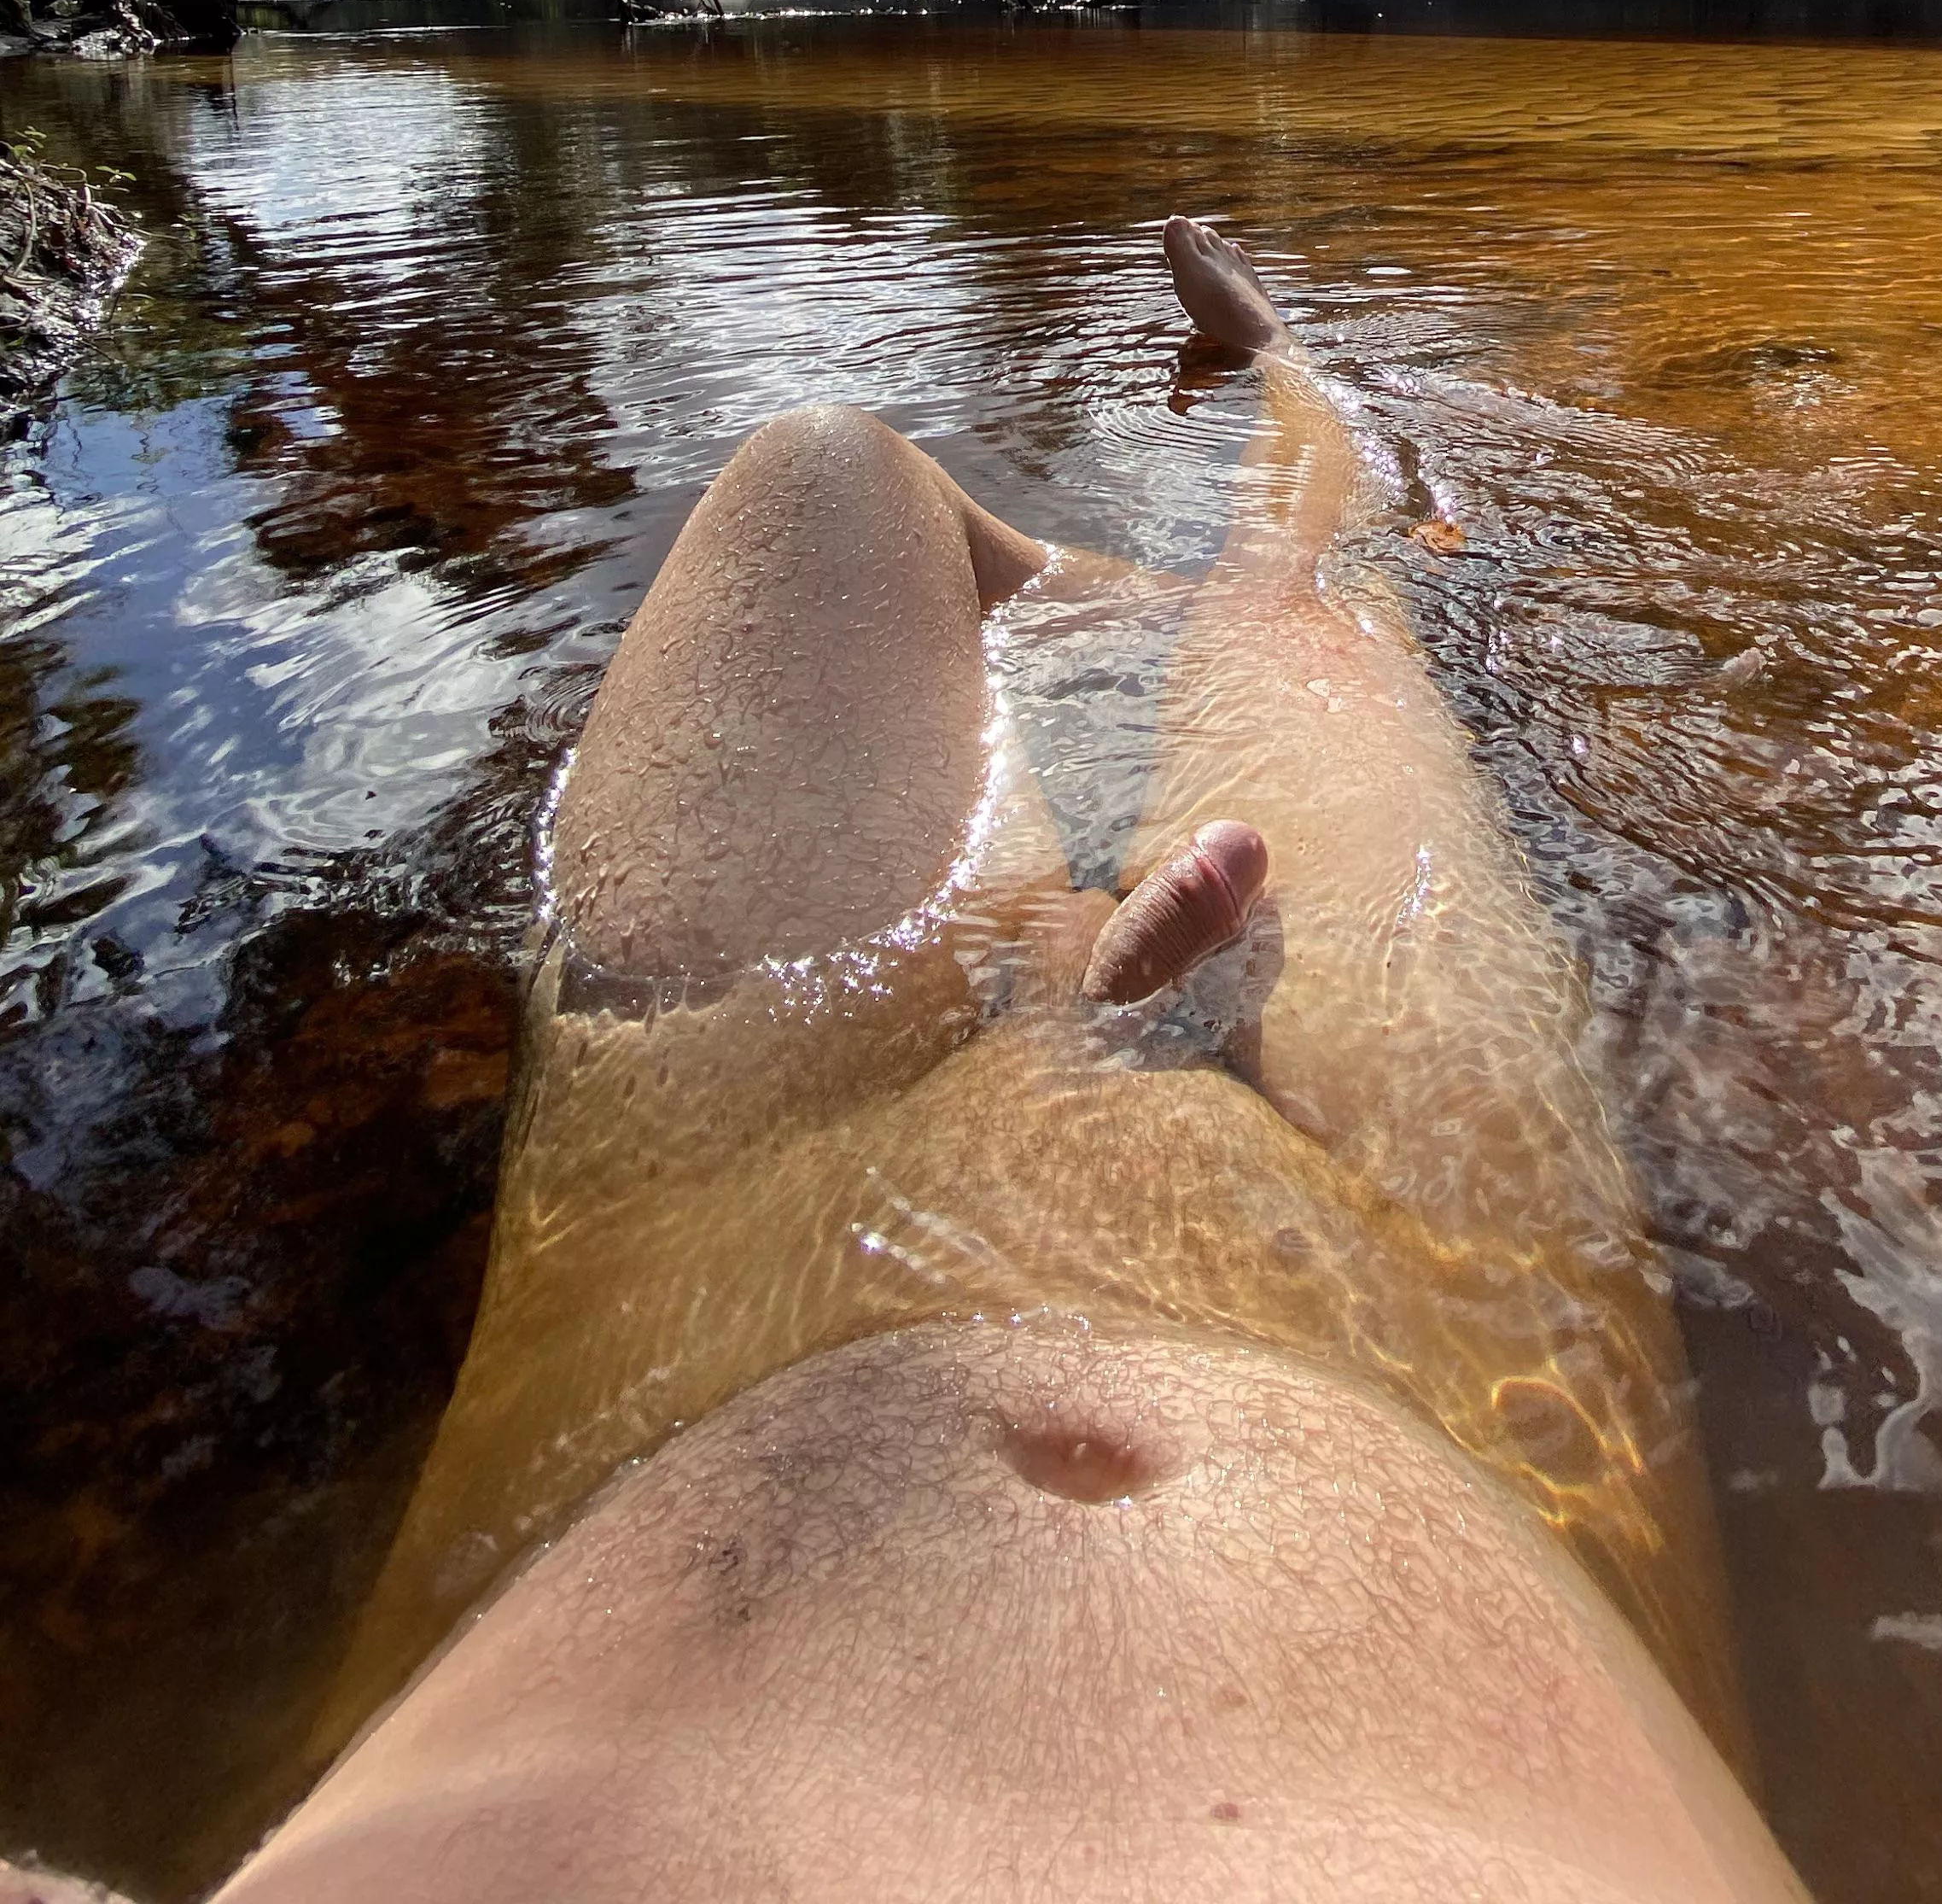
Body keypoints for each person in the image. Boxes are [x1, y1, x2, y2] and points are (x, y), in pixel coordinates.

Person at [16, 225, 1813, 1904]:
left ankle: (1161, 546)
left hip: (678, 1323)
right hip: (1435, 1349)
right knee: (1312, 600)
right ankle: (1248, 463)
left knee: (828, 475)